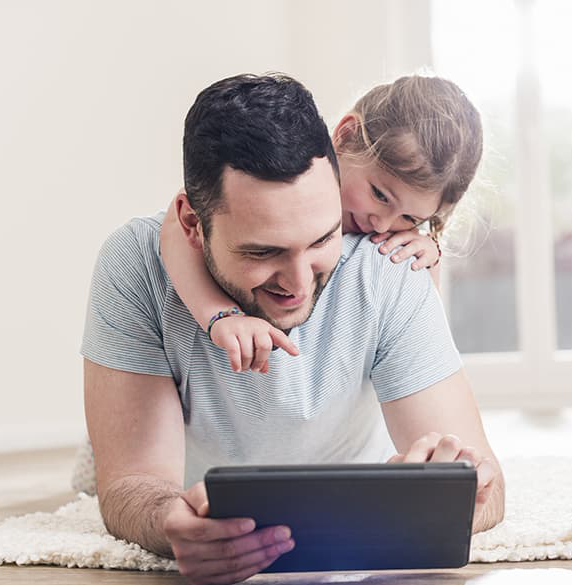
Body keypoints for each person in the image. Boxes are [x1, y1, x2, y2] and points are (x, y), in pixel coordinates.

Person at [82, 73, 505, 585]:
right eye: (263, 251)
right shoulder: (138, 263)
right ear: (193, 224)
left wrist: (464, 485)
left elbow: (491, 489)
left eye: (324, 238)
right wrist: (166, 521)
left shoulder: (390, 263)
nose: (300, 283)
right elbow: (131, 485)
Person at [160, 74, 478, 374]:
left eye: (410, 218)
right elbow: (177, 227)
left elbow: (417, 335)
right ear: (347, 135)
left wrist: (428, 256)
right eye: (380, 195)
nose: (382, 225)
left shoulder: (392, 246)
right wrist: (219, 315)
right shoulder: (297, 168)